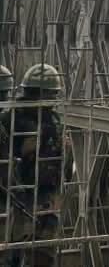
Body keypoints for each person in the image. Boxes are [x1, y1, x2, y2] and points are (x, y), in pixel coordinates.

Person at [0, 64, 66, 267]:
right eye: (51, 94)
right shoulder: (11, 119)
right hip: (20, 197)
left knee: (43, 250)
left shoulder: (51, 118)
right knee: (16, 249)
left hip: (45, 195)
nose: (53, 99)